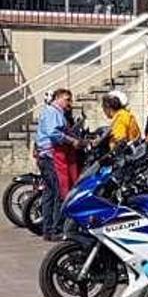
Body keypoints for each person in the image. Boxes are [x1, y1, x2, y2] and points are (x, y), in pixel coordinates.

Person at [34, 89, 84, 241]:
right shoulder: (52, 112)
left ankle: (48, 230)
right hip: (51, 156)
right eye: (67, 99)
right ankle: (56, 229)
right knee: (59, 192)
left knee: (49, 193)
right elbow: (54, 134)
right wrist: (72, 141)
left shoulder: (56, 113)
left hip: (46, 156)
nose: (69, 103)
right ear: (58, 98)